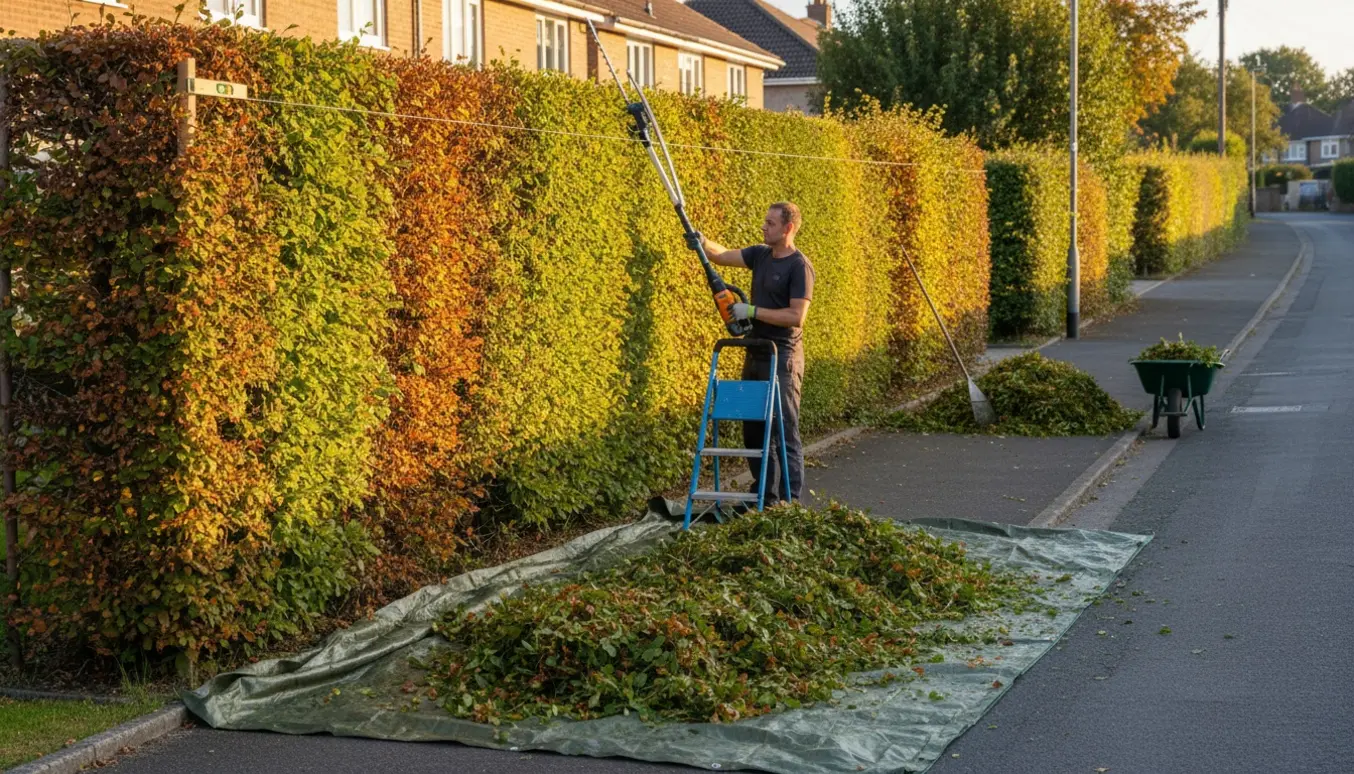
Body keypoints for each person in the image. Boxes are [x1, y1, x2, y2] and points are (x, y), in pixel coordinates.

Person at [688, 202, 815, 503]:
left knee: (783, 430)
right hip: (756, 352)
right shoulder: (760, 255)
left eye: (770, 223)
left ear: (788, 228)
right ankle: (764, 500)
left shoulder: (799, 267)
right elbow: (720, 255)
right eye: (765, 221)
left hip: (783, 356)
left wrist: (753, 310)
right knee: (754, 431)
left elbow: (797, 316)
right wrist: (702, 242)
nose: (764, 226)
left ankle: (790, 503)